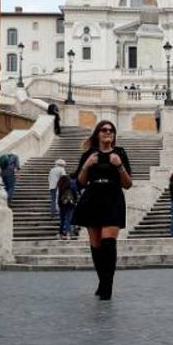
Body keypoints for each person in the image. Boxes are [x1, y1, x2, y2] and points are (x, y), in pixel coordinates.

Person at [74, 120, 133, 300]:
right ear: (98, 134)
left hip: (113, 198)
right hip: (92, 198)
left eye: (111, 130)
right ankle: (102, 281)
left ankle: (107, 286)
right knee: (96, 246)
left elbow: (128, 184)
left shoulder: (120, 153)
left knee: (108, 243)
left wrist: (119, 166)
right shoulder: (89, 155)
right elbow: (80, 182)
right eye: (104, 130)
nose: (108, 132)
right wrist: (86, 166)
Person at [56, 174, 77, 240]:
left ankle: (60, 233)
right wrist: (75, 202)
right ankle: (68, 234)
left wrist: (58, 205)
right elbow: (74, 194)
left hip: (62, 204)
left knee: (62, 220)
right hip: (70, 204)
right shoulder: (71, 185)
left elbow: (58, 196)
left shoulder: (60, 186)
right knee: (68, 219)